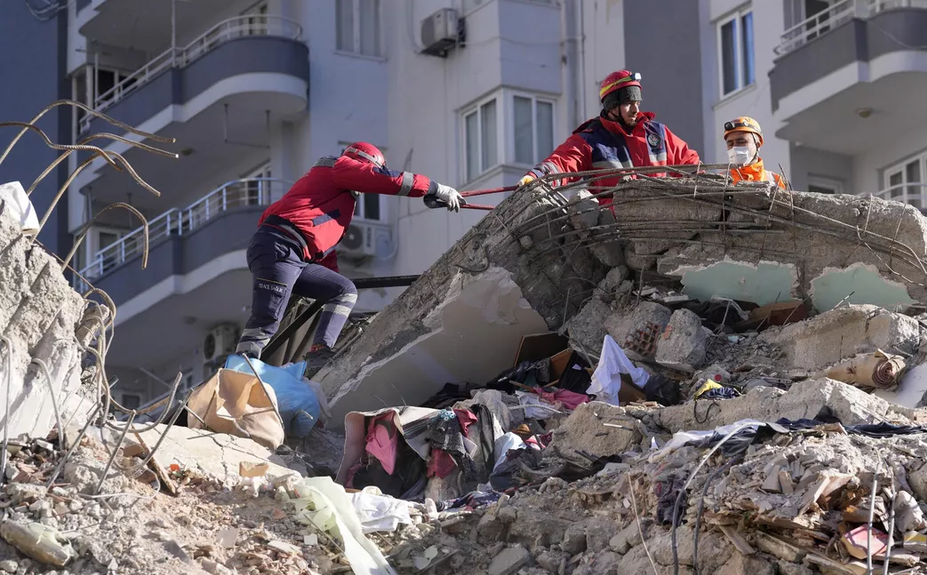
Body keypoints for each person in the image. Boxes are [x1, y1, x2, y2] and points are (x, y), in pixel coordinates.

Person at [234, 142, 464, 373]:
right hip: (281, 247)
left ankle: (320, 353)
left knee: (343, 290)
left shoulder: (336, 195)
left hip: (292, 252)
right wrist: (435, 188)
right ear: (365, 163)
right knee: (266, 321)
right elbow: (386, 179)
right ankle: (237, 375)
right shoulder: (340, 167)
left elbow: (324, 255)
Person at [518, 70, 700, 201]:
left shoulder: (658, 134)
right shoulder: (590, 140)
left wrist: (708, 184)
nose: (636, 109)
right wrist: (536, 177)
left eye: (637, 102)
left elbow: (690, 165)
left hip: (660, 223)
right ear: (612, 105)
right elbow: (562, 162)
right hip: (615, 233)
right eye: (629, 103)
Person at [722, 116, 786, 188]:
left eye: (741, 142)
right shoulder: (719, 181)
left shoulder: (777, 181)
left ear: (757, 145)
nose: (735, 147)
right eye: (730, 144)